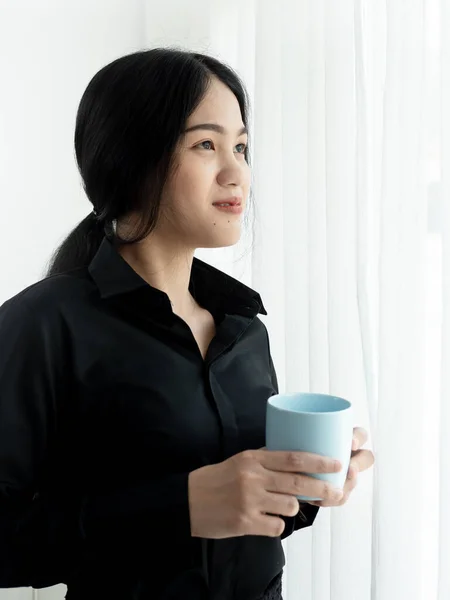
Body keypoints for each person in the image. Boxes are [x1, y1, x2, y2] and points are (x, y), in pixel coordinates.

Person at [0, 48, 374, 600]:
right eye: (207, 144)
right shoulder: (43, 325)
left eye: (241, 147)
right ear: (133, 156)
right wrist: (186, 504)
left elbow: (252, 522)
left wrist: (303, 484)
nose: (237, 172)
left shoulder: (245, 331)